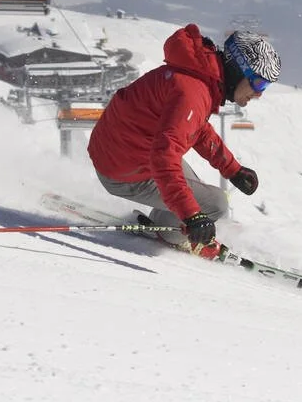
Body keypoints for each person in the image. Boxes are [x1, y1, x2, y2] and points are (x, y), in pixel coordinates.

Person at [87, 24, 280, 258]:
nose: (259, 93)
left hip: (125, 151)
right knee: (215, 204)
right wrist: (192, 216)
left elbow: (196, 129)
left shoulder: (199, 76)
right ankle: (170, 233)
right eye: (259, 83)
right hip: (123, 168)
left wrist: (232, 170)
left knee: (198, 196)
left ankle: (171, 222)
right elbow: (163, 157)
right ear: (239, 70)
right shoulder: (193, 93)